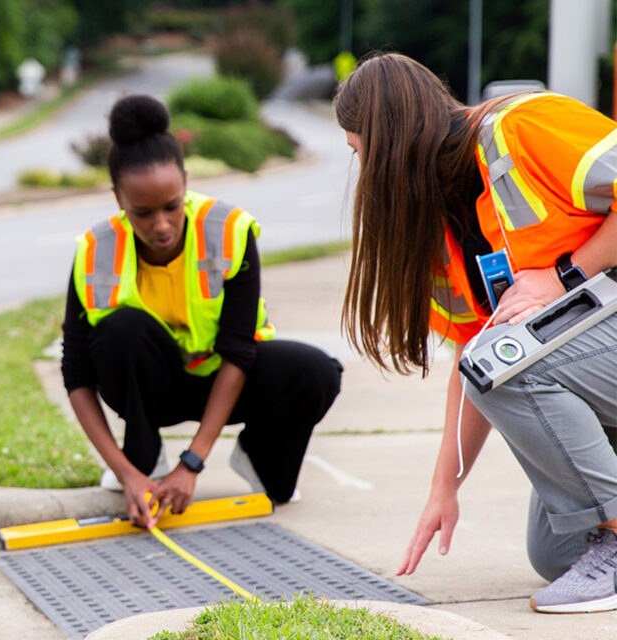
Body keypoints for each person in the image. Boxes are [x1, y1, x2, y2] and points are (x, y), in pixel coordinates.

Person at [334, 52, 617, 613]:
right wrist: (445, 488)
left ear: (388, 140)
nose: (360, 167)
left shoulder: (525, 128)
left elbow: (501, 361)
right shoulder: (436, 222)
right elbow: (476, 361)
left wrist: (567, 274)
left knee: (512, 362)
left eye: (358, 149)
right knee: (556, 549)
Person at [61, 94, 342, 530]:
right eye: (143, 212)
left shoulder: (229, 232)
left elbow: (239, 351)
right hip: (151, 390)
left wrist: (193, 463)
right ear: (118, 198)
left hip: (226, 380)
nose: (161, 225)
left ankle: (257, 455)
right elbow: (77, 375)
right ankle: (144, 457)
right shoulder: (95, 251)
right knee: (121, 330)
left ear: (186, 183)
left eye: (172, 206)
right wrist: (124, 472)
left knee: (317, 372)